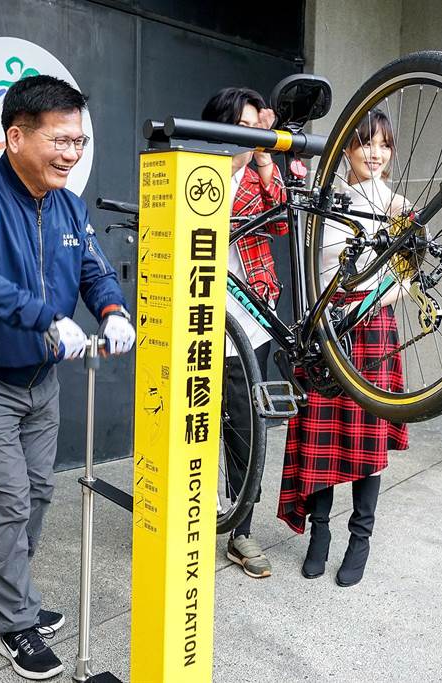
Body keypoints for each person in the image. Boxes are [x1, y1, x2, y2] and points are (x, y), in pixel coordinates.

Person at [0, 75, 135, 680]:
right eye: (60, 140)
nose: (72, 153)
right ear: (17, 136)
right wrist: (45, 316)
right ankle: (16, 626)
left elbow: (93, 270)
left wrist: (113, 310)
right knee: (7, 504)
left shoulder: (68, 203)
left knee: (37, 496)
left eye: (79, 141)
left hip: (41, 379)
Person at [278, 108, 409, 587]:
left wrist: (376, 299)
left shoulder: (399, 206)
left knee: (366, 433)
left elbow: (408, 273)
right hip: (328, 325)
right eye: (364, 144)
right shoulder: (326, 201)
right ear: (347, 151)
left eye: (383, 145)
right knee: (323, 431)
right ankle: (319, 533)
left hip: (373, 324)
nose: (374, 154)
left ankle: (361, 537)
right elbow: (311, 270)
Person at [201, 87, 287, 579]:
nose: (250, 135)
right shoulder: (194, 175)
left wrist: (266, 157)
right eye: (244, 126)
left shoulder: (257, 180)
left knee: (246, 428)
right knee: (191, 423)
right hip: (198, 322)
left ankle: (242, 530)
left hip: (250, 326)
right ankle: (186, 516)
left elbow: (278, 222)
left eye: (256, 126)